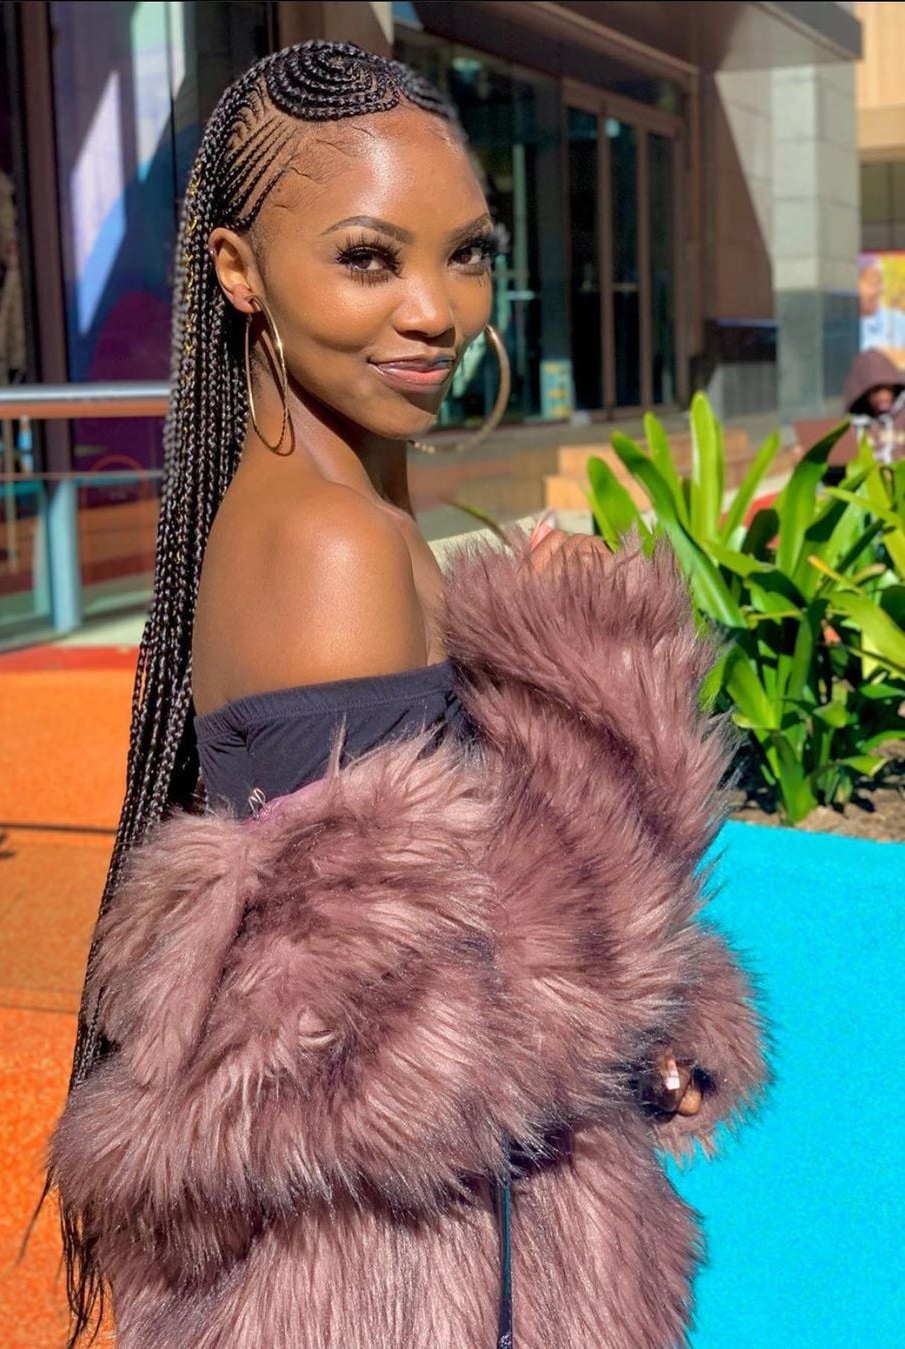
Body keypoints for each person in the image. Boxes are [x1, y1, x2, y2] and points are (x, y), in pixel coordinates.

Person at [47, 42, 765, 1349]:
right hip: (420, 1281)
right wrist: (607, 689)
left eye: (467, 252)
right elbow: (404, 1040)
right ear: (240, 271)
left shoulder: (326, 507)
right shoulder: (336, 544)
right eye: (369, 257)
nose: (437, 309)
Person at [841, 346, 905, 469]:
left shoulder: (902, 418)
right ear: (865, 394)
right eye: (876, 391)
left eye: (888, 389)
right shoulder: (856, 424)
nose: (883, 396)